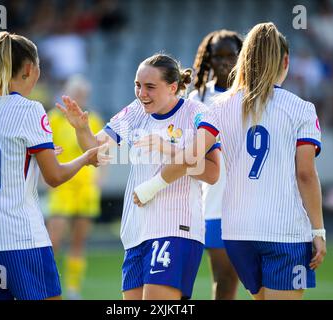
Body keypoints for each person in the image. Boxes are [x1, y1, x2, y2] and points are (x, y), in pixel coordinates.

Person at [134, 23, 327, 300]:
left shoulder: (220, 106)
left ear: (244, 59)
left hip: (237, 232)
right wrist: (318, 230)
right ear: (285, 61)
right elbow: (306, 174)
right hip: (285, 231)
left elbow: (191, 156)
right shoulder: (301, 108)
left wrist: (153, 183)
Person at [57, 53, 221, 300]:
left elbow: (212, 173)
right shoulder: (135, 112)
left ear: (173, 87)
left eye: (150, 87)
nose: (141, 93)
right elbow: (96, 150)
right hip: (136, 232)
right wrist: (81, 129)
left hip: (175, 228)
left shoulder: (196, 113)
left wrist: (167, 149)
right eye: (138, 85)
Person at [0, 31, 107, 300]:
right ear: (29, 68)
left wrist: (32, 157)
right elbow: (55, 177)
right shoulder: (30, 109)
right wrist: (87, 158)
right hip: (18, 236)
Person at [188, 29, 242, 300]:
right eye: (217, 56)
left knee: (258, 282)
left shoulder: (252, 94)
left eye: (230, 55)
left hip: (250, 200)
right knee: (224, 278)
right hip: (214, 202)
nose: (224, 62)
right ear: (208, 60)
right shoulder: (197, 99)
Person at [46, 75, 105, 300]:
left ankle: (72, 289)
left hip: (86, 185)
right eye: (76, 93)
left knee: (79, 240)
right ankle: (48, 284)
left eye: (83, 95)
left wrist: (100, 176)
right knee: (54, 240)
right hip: (63, 184)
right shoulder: (53, 119)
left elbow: (102, 150)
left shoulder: (93, 118)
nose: (80, 98)